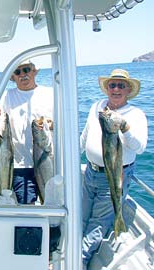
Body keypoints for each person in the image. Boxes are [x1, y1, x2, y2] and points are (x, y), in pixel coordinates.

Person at [80, 69, 148, 268]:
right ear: (106, 89)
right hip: (91, 172)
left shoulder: (135, 114)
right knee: (82, 214)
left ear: (128, 90)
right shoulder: (97, 107)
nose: (116, 89)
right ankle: (76, 246)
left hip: (116, 175)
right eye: (112, 85)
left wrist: (125, 127)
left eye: (121, 85)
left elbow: (140, 147)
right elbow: (85, 136)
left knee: (98, 223)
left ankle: (79, 261)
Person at [0, 59, 54, 204]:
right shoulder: (7, 96)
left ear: (34, 71)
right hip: (20, 164)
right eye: (17, 72)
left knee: (52, 202)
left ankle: (51, 227)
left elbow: (63, 121)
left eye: (26, 70)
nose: (22, 75)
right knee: (26, 205)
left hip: (47, 161)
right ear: (13, 77)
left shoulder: (50, 94)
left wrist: (52, 125)